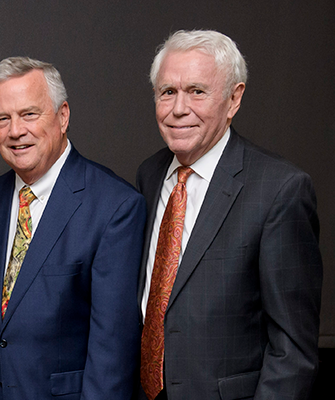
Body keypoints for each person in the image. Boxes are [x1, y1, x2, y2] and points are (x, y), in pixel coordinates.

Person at [136, 30, 323, 400]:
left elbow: (293, 351)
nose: (178, 108)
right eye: (168, 92)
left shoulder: (279, 189)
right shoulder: (149, 175)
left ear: (233, 98)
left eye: (197, 91)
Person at [0, 57, 145, 399]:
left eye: (29, 114)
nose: (15, 131)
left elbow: (112, 353)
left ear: (62, 116)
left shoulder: (115, 206)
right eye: (3, 119)